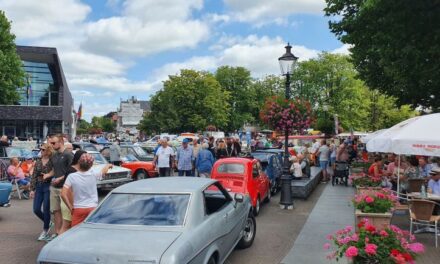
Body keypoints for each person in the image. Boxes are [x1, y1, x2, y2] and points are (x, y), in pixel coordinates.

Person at [61, 154, 113, 227]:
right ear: (91, 165)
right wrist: (108, 165)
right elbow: (103, 171)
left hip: (78, 208)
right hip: (93, 208)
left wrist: (70, 207)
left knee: (76, 232)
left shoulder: (71, 176)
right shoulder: (94, 174)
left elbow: (63, 194)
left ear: (79, 162)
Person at [48, 134, 73, 241]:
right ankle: (58, 233)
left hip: (65, 188)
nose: (52, 145)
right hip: (54, 187)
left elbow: (71, 171)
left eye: (53, 143)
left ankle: (65, 234)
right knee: (56, 211)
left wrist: (60, 178)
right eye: (51, 143)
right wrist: (48, 175)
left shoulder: (68, 154)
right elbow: (54, 170)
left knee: (65, 212)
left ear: (61, 142)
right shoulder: (54, 155)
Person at [29, 143, 54, 241]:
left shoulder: (53, 161)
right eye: (41, 149)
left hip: (48, 186)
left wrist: (49, 175)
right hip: (39, 186)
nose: (41, 151)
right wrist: (32, 189)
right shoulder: (38, 161)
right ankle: (47, 222)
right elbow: (34, 175)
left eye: (43, 149)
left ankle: (45, 230)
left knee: (46, 209)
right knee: (36, 209)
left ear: (48, 150)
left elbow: (56, 171)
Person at [59, 150, 86, 234]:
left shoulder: (76, 170)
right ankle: (59, 245)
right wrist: (71, 206)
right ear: (78, 159)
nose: (86, 160)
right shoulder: (72, 171)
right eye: (84, 158)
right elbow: (68, 191)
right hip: (69, 202)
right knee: (66, 226)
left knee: (69, 226)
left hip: (71, 202)